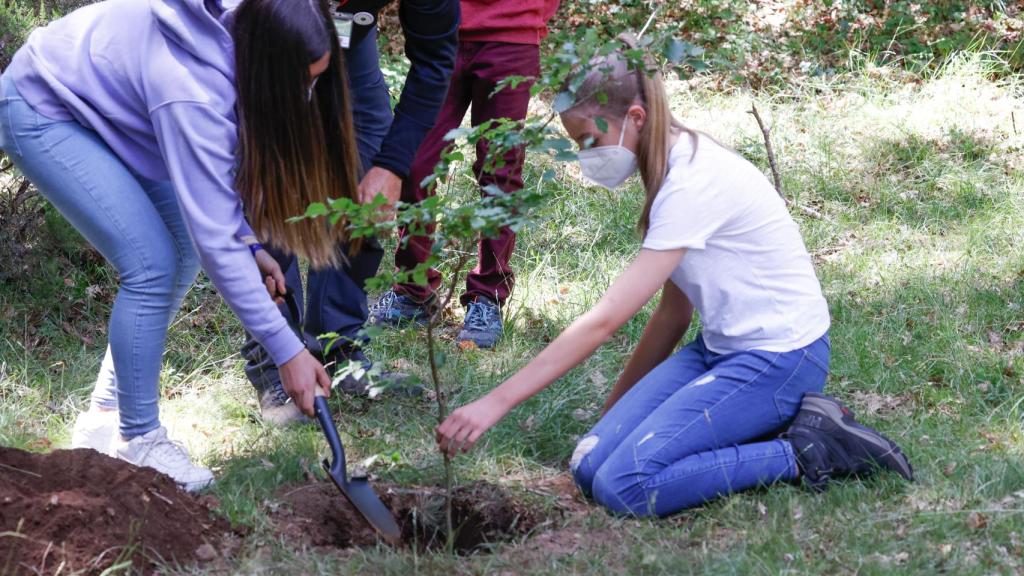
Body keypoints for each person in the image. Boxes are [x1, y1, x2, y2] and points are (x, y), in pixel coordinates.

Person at [435, 37, 914, 517]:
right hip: (719, 352)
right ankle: (745, 423)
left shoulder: (691, 183)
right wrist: (614, 420)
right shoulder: (667, 165)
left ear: (636, 119)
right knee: (589, 464)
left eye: (590, 141)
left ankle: (811, 448)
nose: (585, 155)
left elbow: (605, 321)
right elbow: (672, 313)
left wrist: (494, 403)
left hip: (780, 359)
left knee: (626, 488)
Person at [0, 0, 358, 491]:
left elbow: (211, 196)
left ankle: (106, 415)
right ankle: (139, 438)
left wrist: (249, 242)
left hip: (105, 107)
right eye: (302, 83)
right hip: (44, 105)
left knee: (180, 251)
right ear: (265, 71)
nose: (308, 96)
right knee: (151, 265)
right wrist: (287, 349)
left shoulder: (245, 30)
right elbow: (214, 235)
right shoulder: (193, 90)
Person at [239, 0, 460, 425]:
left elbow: (434, 62)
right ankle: (276, 358)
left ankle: (337, 348)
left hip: (348, 34)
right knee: (269, 168)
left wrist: (391, 165)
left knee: (369, 149)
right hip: (260, 24)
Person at [368, 0, 560, 349]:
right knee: (412, 161)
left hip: (512, 38)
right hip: (441, 30)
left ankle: (487, 297)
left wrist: (528, 16)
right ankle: (414, 292)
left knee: (500, 171)